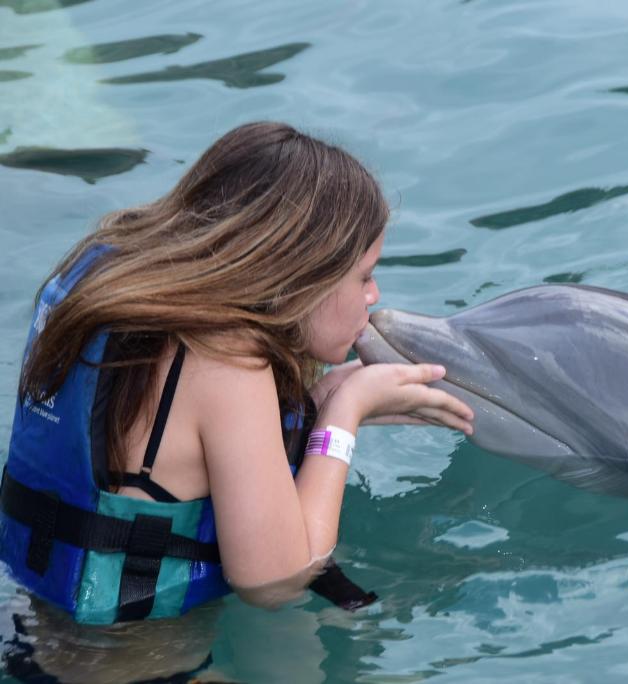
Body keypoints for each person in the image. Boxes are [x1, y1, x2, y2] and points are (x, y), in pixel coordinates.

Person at [0, 121, 474, 639]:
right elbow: (276, 582)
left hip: (33, 619)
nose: (374, 295)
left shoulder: (109, 276)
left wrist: (314, 403)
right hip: (135, 659)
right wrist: (344, 415)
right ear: (300, 276)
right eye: (363, 275)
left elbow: (173, 441)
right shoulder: (225, 359)